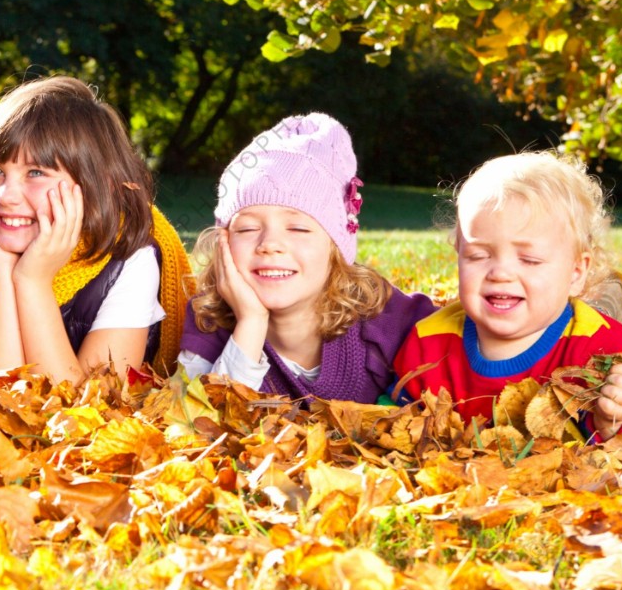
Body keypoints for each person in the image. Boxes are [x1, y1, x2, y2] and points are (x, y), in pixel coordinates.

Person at [390, 151, 622, 460]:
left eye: (529, 259)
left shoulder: (604, 352)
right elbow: (389, 417)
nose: (500, 273)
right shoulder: (428, 344)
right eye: (478, 255)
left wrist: (615, 421)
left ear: (575, 273)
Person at [0, 76, 189, 383]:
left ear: (94, 187)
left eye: (36, 172)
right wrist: (2, 271)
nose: (6, 196)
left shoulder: (127, 257)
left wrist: (32, 280)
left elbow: (86, 409)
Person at [179, 113, 437, 403]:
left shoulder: (387, 320)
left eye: (298, 228)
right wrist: (250, 322)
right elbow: (195, 424)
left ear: (335, 247)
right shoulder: (209, 320)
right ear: (222, 243)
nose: (270, 244)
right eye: (248, 228)